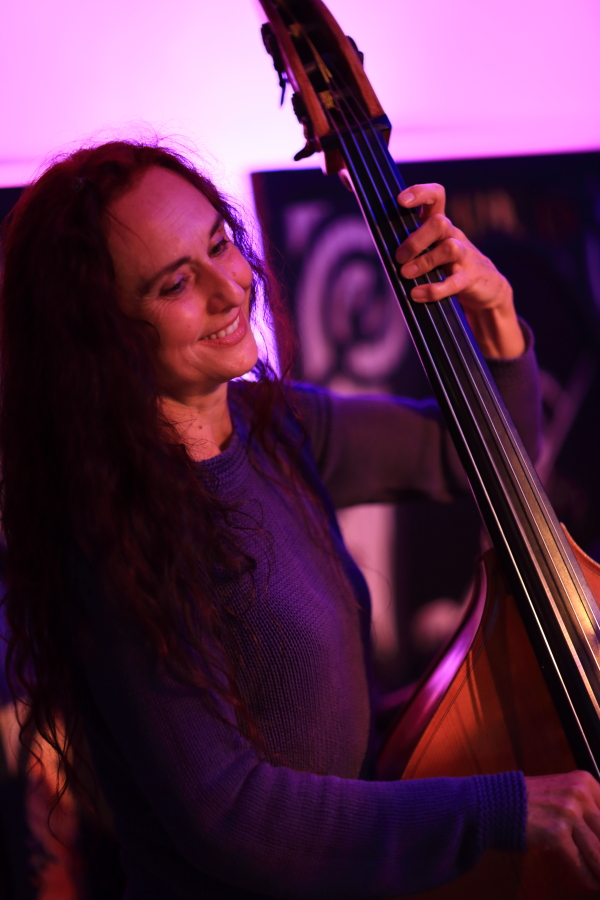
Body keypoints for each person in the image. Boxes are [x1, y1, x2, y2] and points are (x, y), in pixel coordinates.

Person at [1, 140, 599, 900]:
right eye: (176, 283)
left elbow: (471, 457)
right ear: (99, 333)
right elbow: (232, 812)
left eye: (220, 243)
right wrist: (499, 808)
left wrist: (496, 312)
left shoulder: (274, 426)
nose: (229, 289)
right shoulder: (115, 531)